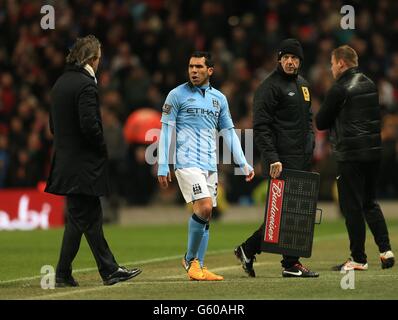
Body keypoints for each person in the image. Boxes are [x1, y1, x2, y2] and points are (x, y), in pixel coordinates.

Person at [45, 35, 142, 287]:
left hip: (66, 162)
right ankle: (100, 271)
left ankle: (73, 272)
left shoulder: (60, 83)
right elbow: (90, 126)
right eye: (99, 57)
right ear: (92, 58)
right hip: (83, 166)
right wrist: (101, 148)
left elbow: (53, 126)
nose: (100, 62)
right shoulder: (85, 85)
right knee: (83, 216)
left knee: (86, 217)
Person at [157, 51, 255, 281]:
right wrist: (163, 165)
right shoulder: (176, 95)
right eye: (191, 66)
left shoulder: (219, 99)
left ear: (210, 70)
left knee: (206, 216)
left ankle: (199, 267)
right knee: (205, 207)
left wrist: (243, 162)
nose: (194, 70)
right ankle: (190, 259)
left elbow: (228, 133)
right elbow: (166, 131)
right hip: (186, 162)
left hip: (209, 164)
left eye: (199, 67)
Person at [234, 39, 319, 278]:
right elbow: (261, 127)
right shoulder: (269, 87)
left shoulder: (303, 85)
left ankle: (250, 250)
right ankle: (290, 264)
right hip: (280, 160)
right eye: (286, 58)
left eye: (295, 58)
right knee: (282, 214)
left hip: (301, 158)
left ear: (300, 61)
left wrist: (310, 143)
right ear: (279, 60)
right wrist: (272, 158)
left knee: (291, 213)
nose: (290, 62)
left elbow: (308, 118)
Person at [315, 45, 395, 271]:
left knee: (351, 207)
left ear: (341, 62)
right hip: (372, 153)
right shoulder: (370, 84)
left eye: (332, 64)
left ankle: (358, 258)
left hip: (350, 155)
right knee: (370, 202)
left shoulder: (339, 88)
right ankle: (385, 250)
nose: (331, 69)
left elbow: (321, 121)